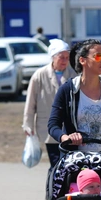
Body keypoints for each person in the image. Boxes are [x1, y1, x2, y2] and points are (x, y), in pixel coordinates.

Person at [22, 39, 76, 169]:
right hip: (48, 127)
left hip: (69, 128)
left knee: (68, 163)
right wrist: (28, 124)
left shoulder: (73, 75)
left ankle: (62, 187)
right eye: (61, 57)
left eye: (67, 58)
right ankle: (53, 188)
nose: (64, 61)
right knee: (56, 162)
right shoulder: (39, 75)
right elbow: (30, 102)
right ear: (53, 57)